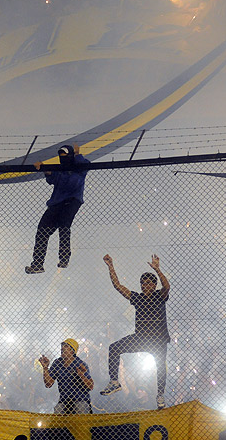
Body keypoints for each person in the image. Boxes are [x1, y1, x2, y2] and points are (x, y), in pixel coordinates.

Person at [99, 254, 169, 410]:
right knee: (114, 348)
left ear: (153, 285)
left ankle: (160, 395)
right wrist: (111, 266)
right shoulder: (138, 298)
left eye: (148, 283)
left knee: (160, 367)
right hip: (141, 338)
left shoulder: (159, 296)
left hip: (158, 339)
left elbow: (166, 286)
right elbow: (118, 286)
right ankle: (115, 382)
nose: (145, 285)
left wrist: (157, 269)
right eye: (143, 283)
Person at [26, 145, 90, 274]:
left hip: (72, 200)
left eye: (65, 155)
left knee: (64, 226)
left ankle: (64, 257)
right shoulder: (60, 169)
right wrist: (45, 169)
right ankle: (38, 263)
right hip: (56, 202)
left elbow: (74, 180)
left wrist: (78, 155)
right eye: (61, 156)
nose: (63, 158)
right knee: (42, 231)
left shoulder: (79, 166)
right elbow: (53, 179)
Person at [39, 338, 94, 414]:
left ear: (72, 350)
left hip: (80, 400)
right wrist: (45, 368)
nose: (62, 348)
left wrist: (82, 375)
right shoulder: (57, 363)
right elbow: (48, 384)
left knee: (80, 408)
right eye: (62, 346)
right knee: (58, 411)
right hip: (64, 401)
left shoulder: (80, 364)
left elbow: (90, 386)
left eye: (66, 346)